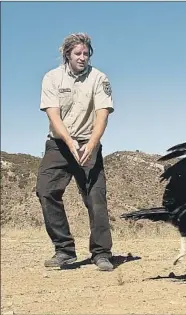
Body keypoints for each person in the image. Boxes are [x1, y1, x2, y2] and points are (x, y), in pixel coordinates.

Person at [35, 33, 115, 271]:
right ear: (67, 54)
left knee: (96, 198)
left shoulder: (99, 78)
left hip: (89, 142)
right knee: (45, 190)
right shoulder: (52, 78)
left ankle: (101, 253)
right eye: (78, 53)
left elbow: (103, 113)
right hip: (59, 144)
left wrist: (91, 144)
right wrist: (70, 142)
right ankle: (64, 250)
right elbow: (53, 114)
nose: (83, 57)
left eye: (86, 53)